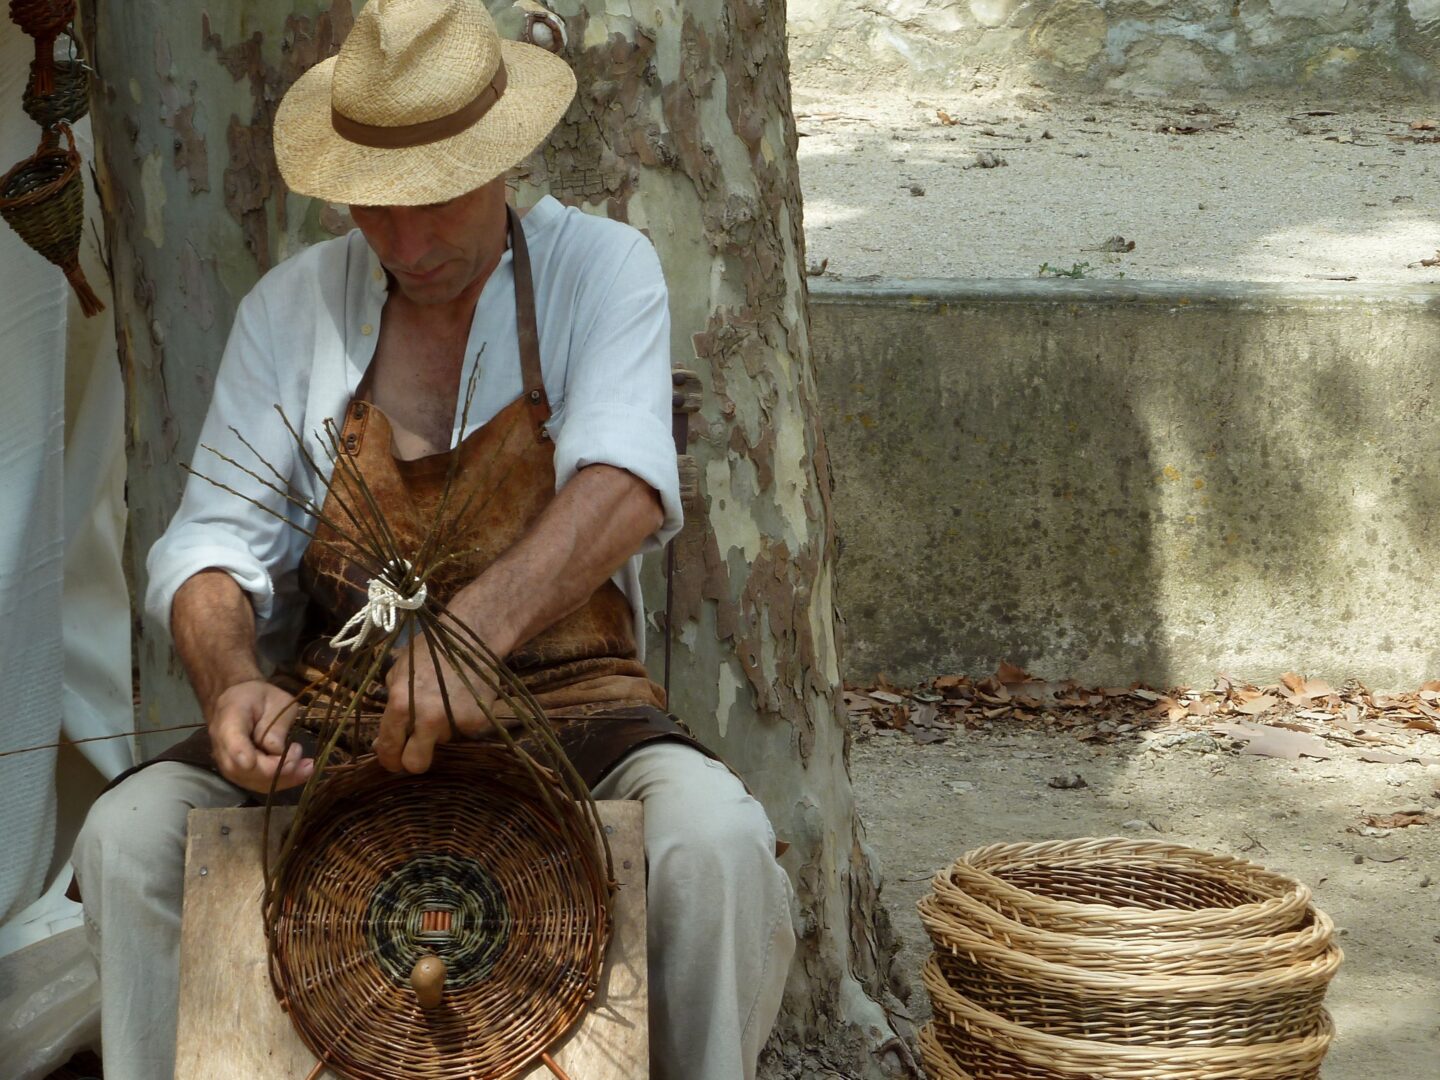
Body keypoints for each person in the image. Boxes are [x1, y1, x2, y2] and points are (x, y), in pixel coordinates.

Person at [71, 2, 796, 1078]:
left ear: (502, 158)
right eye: (375, 208)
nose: (407, 243)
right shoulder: (291, 309)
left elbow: (627, 483)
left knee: (718, 849)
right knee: (130, 839)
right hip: (342, 723)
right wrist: (229, 683)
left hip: (573, 711)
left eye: (437, 201)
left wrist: (473, 632)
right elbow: (206, 548)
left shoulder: (602, 269)